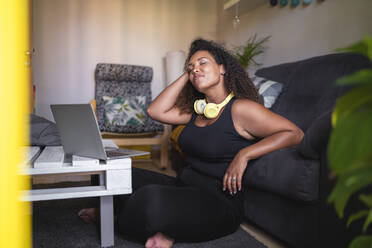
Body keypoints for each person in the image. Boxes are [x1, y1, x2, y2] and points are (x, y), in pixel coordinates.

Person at [78, 38, 304, 248]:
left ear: (223, 68)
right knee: (109, 173)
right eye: (191, 65)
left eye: (203, 63)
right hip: (184, 187)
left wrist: (244, 155)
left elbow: (294, 133)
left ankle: (115, 217)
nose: (195, 68)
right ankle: (159, 223)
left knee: (149, 200)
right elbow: (154, 111)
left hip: (219, 203)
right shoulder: (198, 111)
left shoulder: (241, 108)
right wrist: (188, 74)